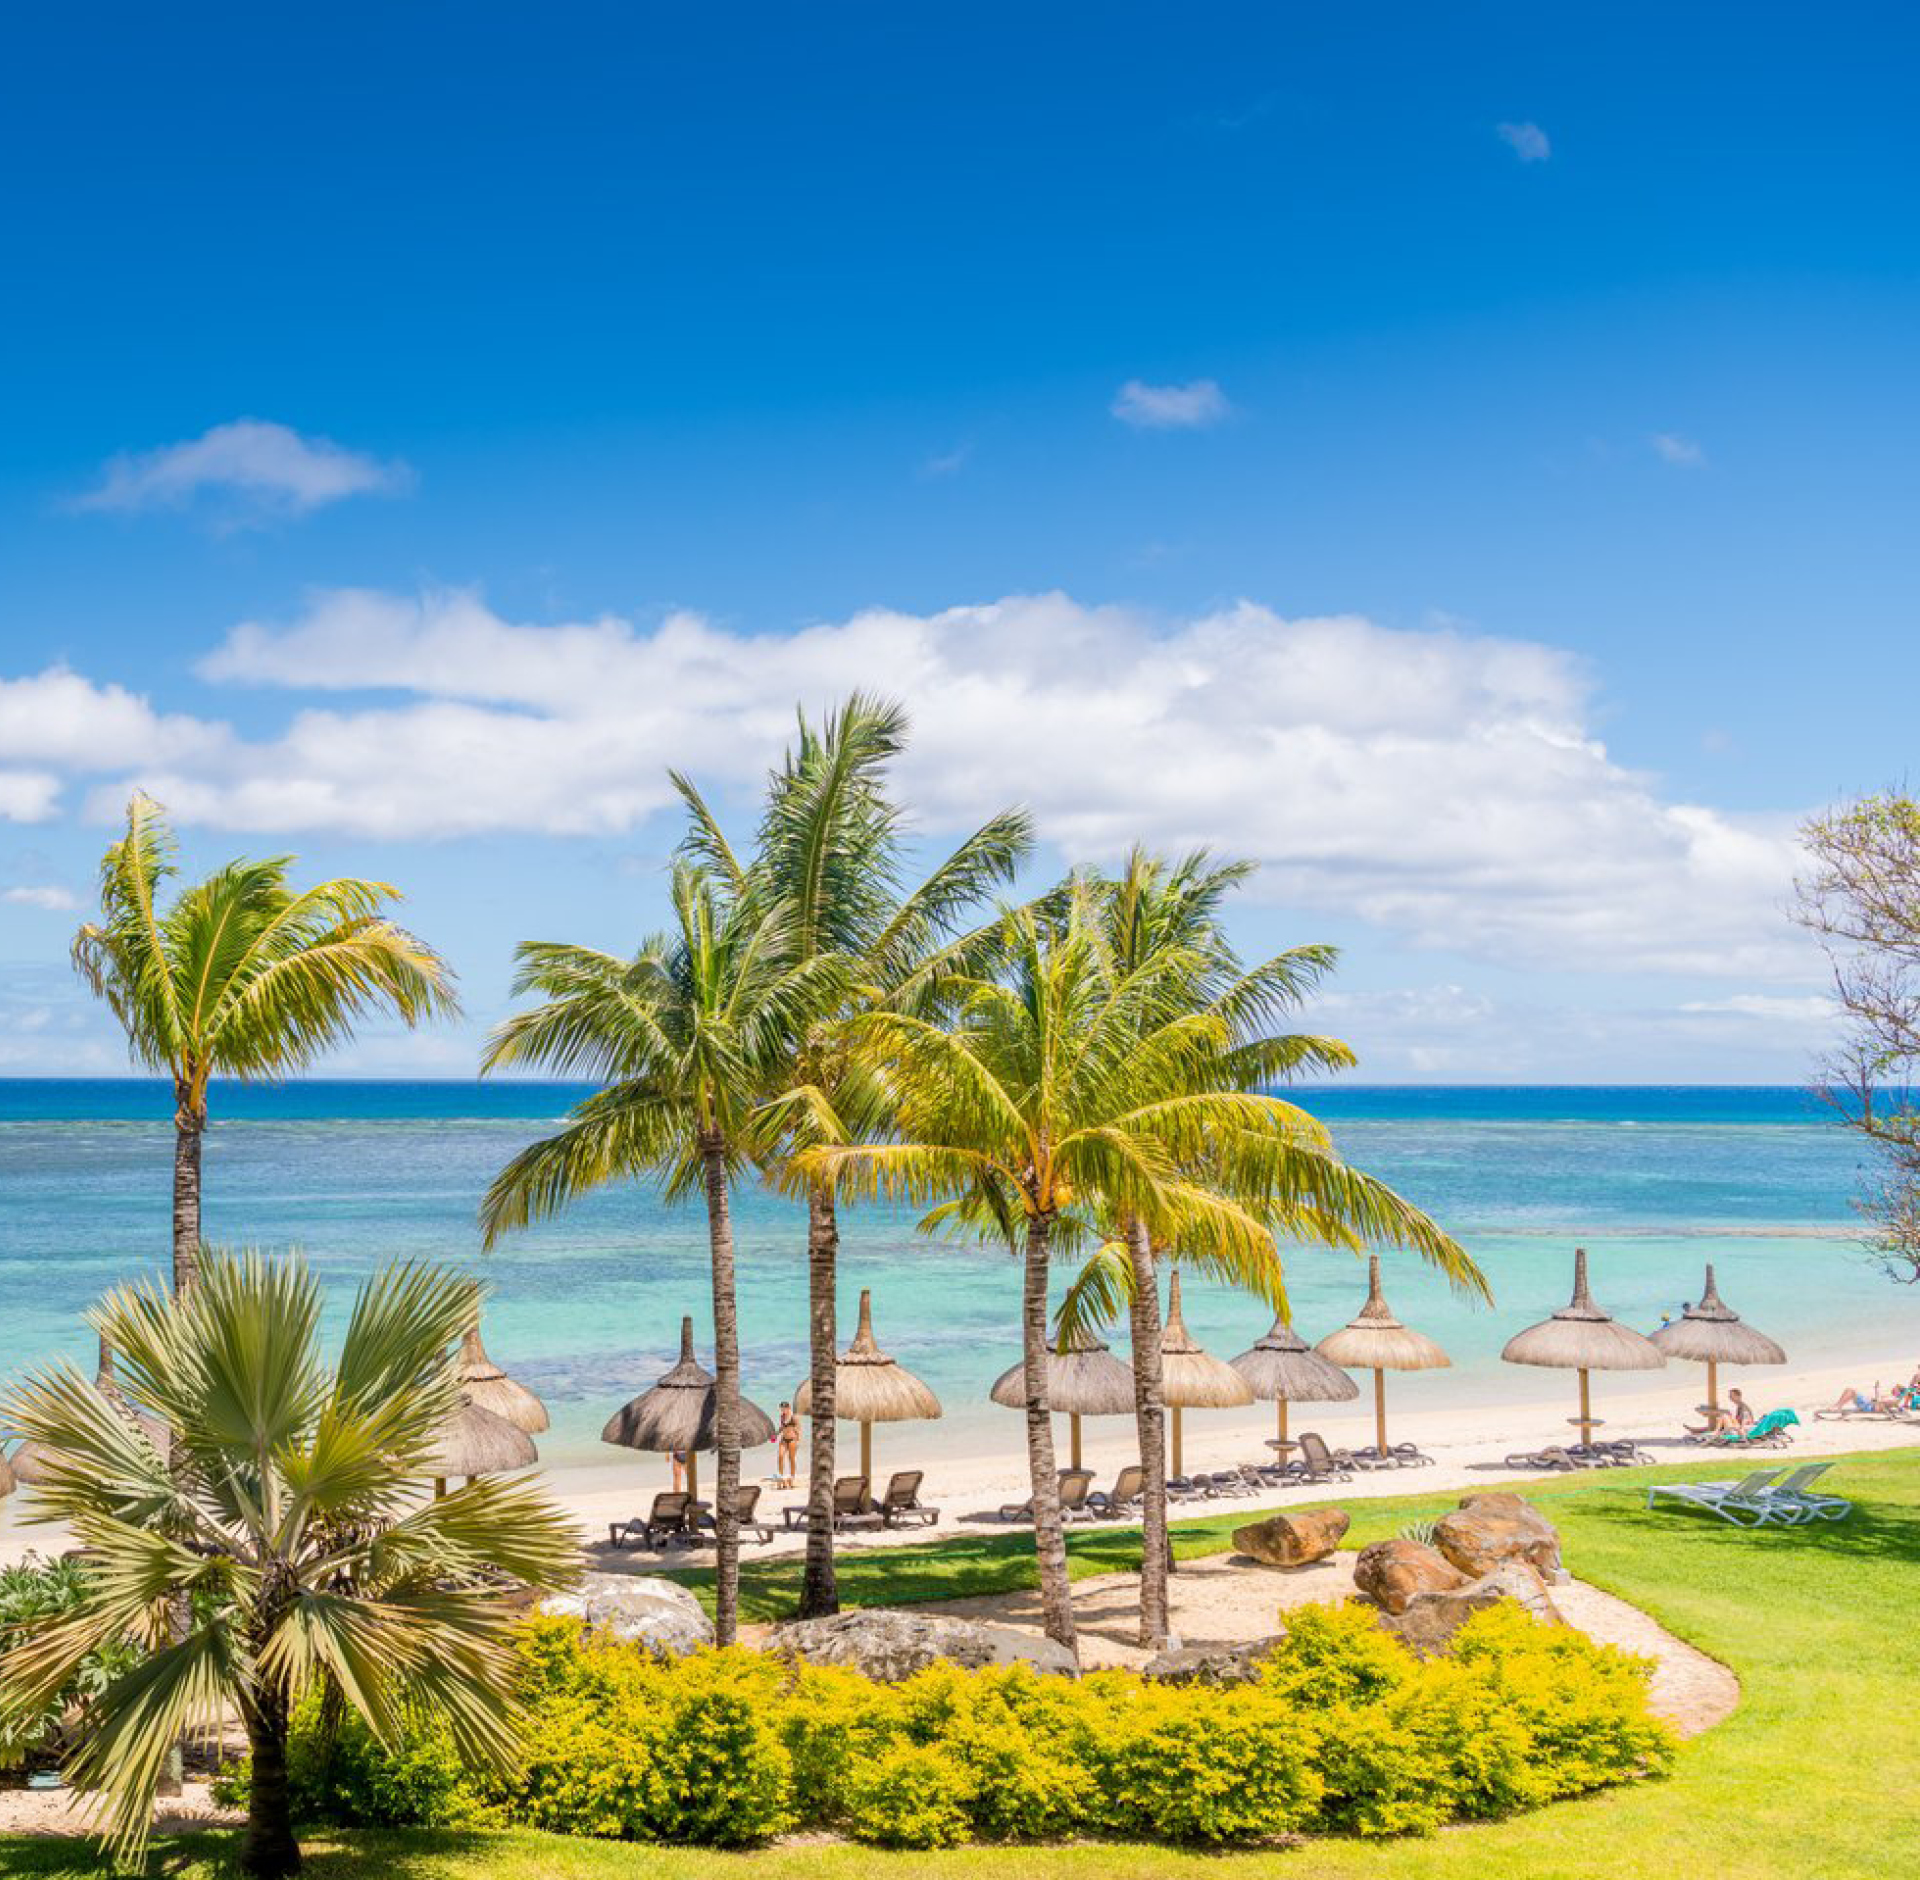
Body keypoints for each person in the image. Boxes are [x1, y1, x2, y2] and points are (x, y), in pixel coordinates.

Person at [775, 1401, 800, 1489]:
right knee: (780, 1456)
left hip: (792, 1440)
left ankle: (791, 1479)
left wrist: (798, 1441)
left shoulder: (794, 1417)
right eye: (781, 1409)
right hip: (784, 1439)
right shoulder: (782, 1416)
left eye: (784, 1409)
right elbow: (782, 1427)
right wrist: (776, 1434)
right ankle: (780, 1479)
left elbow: (798, 1429)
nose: (783, 1410)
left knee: (791, 1459)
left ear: (788, 1408)